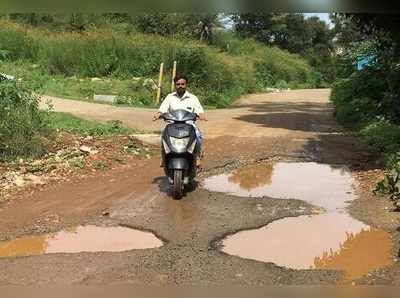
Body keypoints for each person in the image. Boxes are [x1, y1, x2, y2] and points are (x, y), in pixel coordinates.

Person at [153, 75, 207, 168]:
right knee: (162, 136)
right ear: (175, 85)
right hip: (172, 124)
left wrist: (201, 115)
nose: (180, 86)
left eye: (182, 84)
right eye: (178, 84)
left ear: (186, 85)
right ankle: (163, 156)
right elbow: (162, 109)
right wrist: (158, 114)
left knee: (198, 135)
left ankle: (197, 156)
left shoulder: (193, 98)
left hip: (189, 124)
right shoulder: (170, 97)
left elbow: (199, 110)